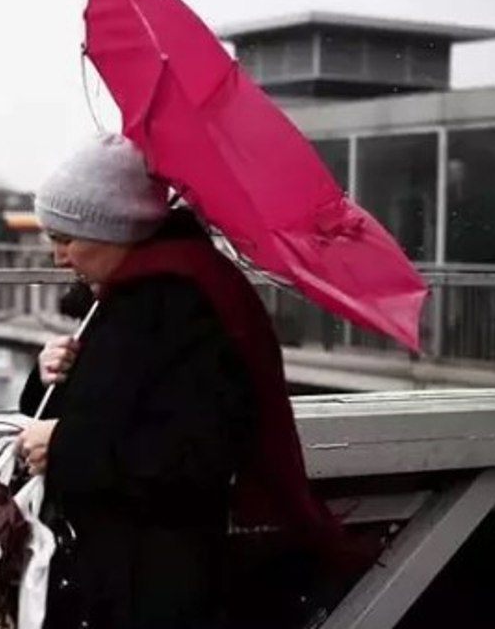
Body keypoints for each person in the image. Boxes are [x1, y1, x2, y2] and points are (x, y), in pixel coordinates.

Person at [17, 133, 350, 629]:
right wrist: (49, 374)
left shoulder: (185, 308)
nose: (59, 257)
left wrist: (63, 447)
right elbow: (90, 410)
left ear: (115, 231)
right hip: (114, 572)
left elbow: (197, 453)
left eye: (66, 239)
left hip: (158, 583)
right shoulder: (124, 300)